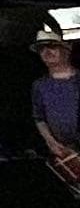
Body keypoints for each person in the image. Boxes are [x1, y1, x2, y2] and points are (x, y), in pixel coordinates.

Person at [35, 33, 80, 180]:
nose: (47, 51)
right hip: (64, 152)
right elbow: (39, 118)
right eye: (41, 48)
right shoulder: (39, 86)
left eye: (52, 46)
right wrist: (52, 143)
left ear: (66, 50)